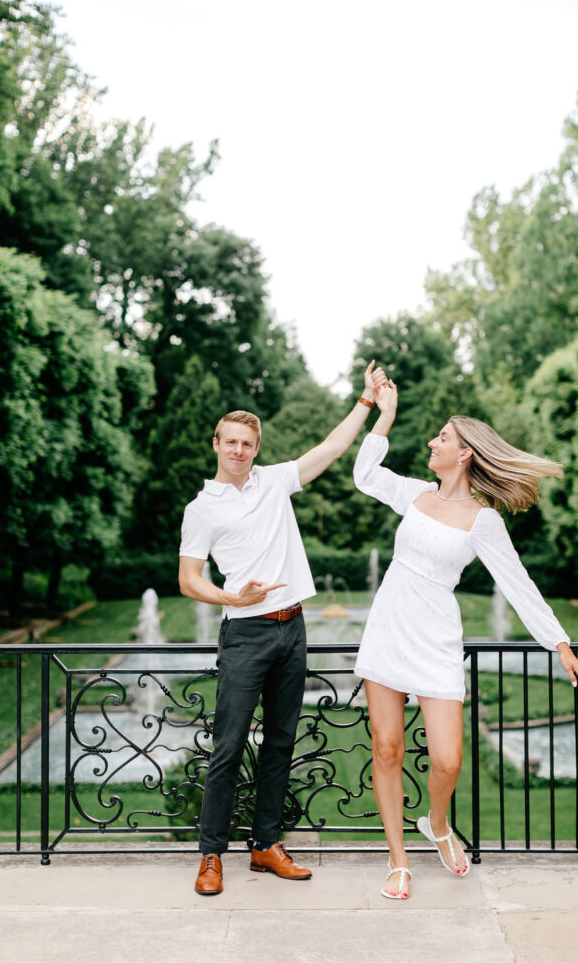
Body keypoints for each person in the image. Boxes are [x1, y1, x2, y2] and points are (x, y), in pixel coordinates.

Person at [352, 380, 578, 900]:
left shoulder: (483, 521)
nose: (432, 443)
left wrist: (560, 644)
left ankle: (436, 824)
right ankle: (398, 862)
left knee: (448, 760)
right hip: (389, 630)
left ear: (465, 453)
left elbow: (518, 586)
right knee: (386, 749)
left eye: (442, 437)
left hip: (436, 639)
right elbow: (364, 473)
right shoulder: (412, 493)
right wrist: (384, 412)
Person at [178, 362, 386, 896]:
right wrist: (231, 597)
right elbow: (187, 580)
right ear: (217, 444)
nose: (240, 451)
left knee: (280, 742)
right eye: (231, 442)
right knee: (227, 747)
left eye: (248, 444)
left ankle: (266, 845)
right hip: (244, 635)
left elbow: (331, 449)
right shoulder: (201, 508)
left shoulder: (274, 481)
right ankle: (210, 856)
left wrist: (364, 402)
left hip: (292, 630)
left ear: (256, 447)